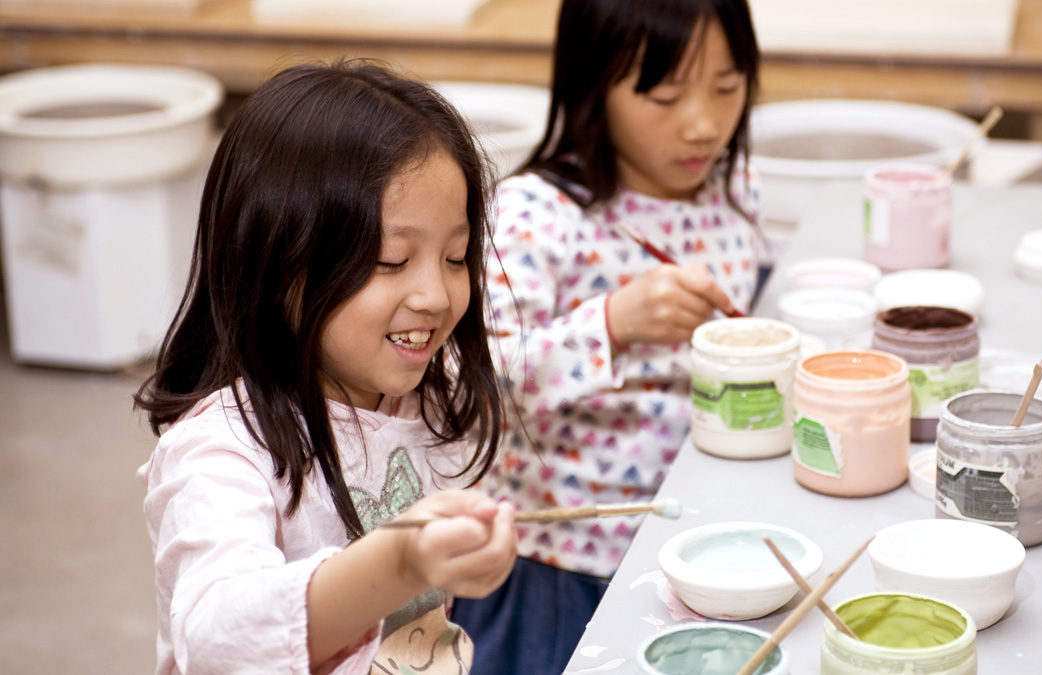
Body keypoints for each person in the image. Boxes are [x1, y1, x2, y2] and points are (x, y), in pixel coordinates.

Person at [134, 60, 518, 675]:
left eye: (454, 255)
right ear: (278, 262)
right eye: (392, 260)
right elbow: (215, 637)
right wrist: (400, 563)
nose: (436, 296)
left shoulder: (424, 393)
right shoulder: (222, 450)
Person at [450, 1, 763, 672]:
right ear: (594, 86)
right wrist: (612, 325)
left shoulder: (734, 190)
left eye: (728, 87)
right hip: (561, 567)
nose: (704, 123)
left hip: (698, 546)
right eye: (665, 95)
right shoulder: (540, 214)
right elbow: (468, 382)